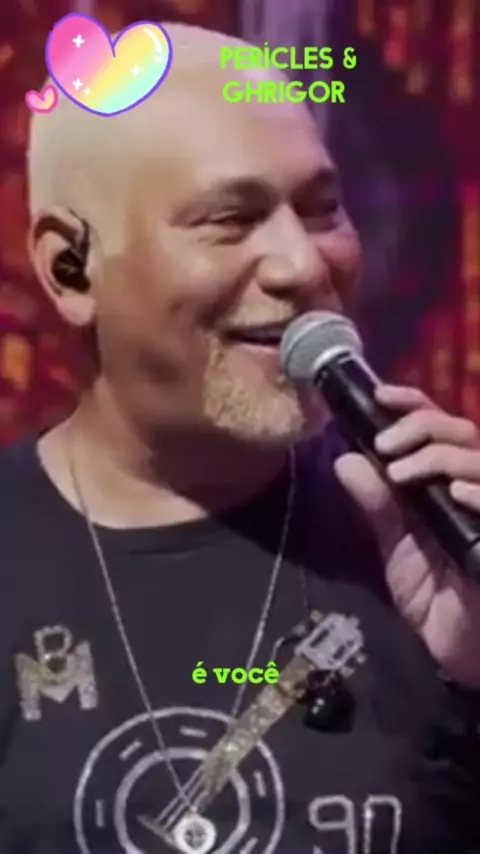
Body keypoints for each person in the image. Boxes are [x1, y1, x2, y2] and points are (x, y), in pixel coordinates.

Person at [2, 22, 480, 854]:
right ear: (71, 267)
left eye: (323, 210)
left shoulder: (429, 543)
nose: (304, 265)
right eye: (231, 219)